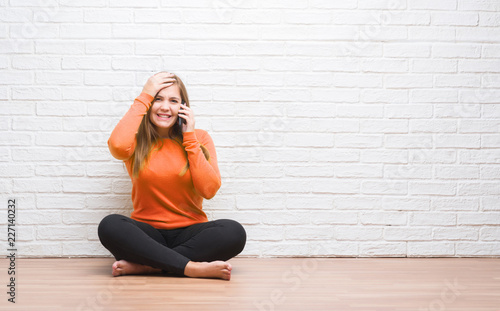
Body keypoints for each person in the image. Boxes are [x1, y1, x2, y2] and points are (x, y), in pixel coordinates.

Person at [97, 72, 246, 281]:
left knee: (234, 232)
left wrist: (189, 137)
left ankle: (150, 267)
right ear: (149, 103)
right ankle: (191, 268)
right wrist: (145, 94)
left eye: (173, 101)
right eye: (158, 99)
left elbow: (209, 190)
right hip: (147, 235)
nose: (165, 107)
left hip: (190, 233)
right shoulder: (136, 141)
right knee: (110, 225)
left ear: (183, 107)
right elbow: (117, 146)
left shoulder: (199, 138)